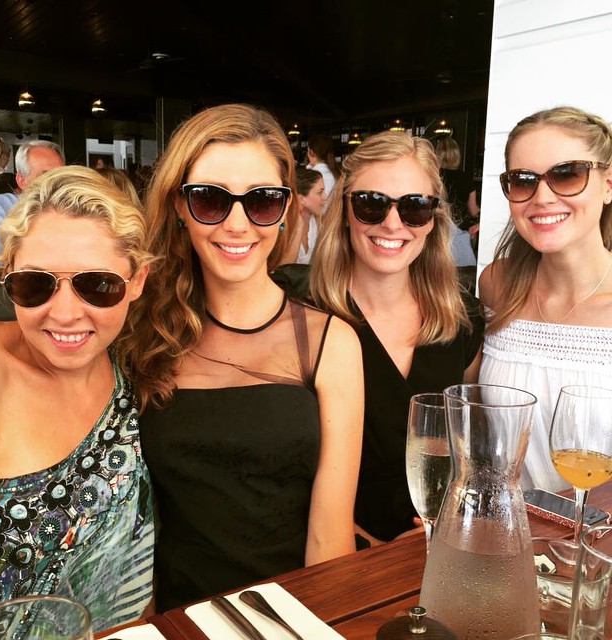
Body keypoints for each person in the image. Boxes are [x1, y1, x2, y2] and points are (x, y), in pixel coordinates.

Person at [121, 102, 364, 610]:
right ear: (179, 206)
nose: (237, 224)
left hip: (291, 618)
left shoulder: (330, 343)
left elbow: (329, 538)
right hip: (177, 620)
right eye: (210, 199)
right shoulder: (143, 334)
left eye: (262, 200)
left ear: (286, 210)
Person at [0, 166, 154, 630]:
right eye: (35, 284)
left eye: (98, 285)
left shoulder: (131, 369)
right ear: (8, 276)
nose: (67, 314)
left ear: (137, 280)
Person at [308, 130, 484, 545]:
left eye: (414, 207)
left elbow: (469, 449)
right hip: (338, 553)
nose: (392, 223)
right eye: (371, 204)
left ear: (433, 218)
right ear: (344, 211)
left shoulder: (463, 320)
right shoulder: (306, 319)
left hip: (441, 550)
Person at [478, 105, 612, 492]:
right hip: (505, 525)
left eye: (567, 174)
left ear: (607, 185)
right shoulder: (497, 284)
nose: (542, 197)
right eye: (523, 181)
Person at [0, 140, 65, 272]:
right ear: (21, 181)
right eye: (45, 176)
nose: (57, 183)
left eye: (61, 175)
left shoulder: (75, 208)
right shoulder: (0, 208)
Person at [435, 136, 480, 293]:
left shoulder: (434, 177)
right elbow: (473, 210)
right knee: (463, 281)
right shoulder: (465, 178)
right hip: (460, 234)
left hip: (437, 231)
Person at [278, 166, 327, 265]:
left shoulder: (318, 221)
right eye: (320, 192)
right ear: (300, 199)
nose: (325, 197)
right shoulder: (281, 226)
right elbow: (284, 268)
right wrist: (298, 227)